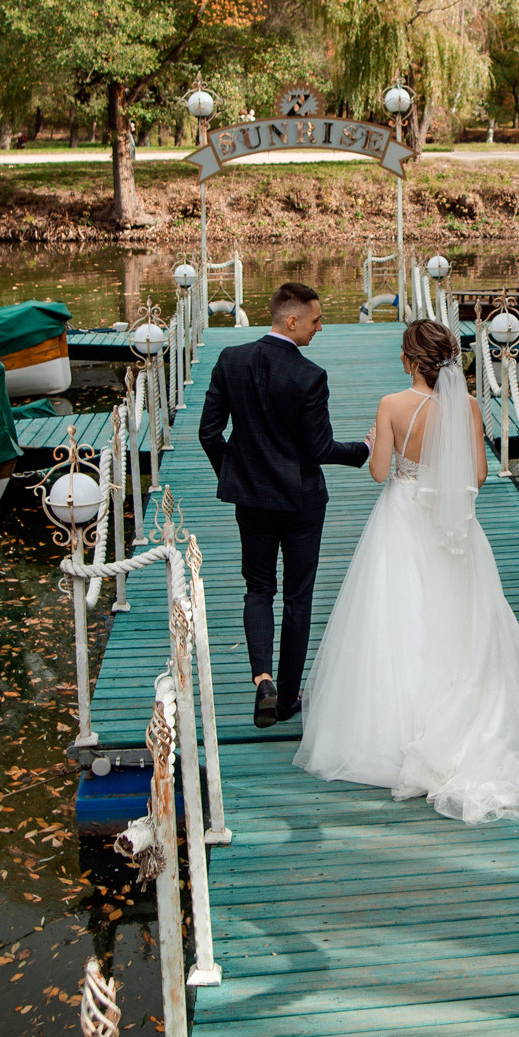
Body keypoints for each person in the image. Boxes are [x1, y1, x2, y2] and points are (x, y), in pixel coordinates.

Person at [294, 319, 519, 824]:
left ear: (410, 360)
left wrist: (374, 440)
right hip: (452, 524)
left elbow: (378, 471)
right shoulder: (469, 407)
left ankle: (393, 728)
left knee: (399, 615)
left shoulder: (392, 405)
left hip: (404, 514)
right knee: (456, 614)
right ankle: (465, 721)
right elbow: (476, 474)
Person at [198, 281, 370, 729]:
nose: (319, 328)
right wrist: (364, 451)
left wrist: (234, 476)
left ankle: (263, 681)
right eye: (315, 320)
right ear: (291, 321)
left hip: (250, 500)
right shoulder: (309, 376)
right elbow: (320, 448)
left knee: (258, 590)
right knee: (298, 597)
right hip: (300, 503)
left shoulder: (230, 360)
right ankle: (289, 698)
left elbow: (209, 434)